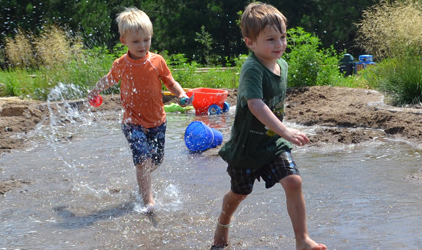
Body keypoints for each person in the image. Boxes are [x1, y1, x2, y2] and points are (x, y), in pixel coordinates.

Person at [212, 2, 327, 250]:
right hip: (246, 148)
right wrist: (286, 130)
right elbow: (255, 105)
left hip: (272, 143)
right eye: (271, 39)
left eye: (283, 37)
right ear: (250, 42)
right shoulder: (252, 69)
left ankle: (302, 240)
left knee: (294, 182)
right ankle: (224, 222)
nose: (279, 45)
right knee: (239, 194)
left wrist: (281, 134)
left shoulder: (282, 64)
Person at [88, 7, 189, 211]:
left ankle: (142, 181)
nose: (142, 45)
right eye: (136, 42)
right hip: (132, 122)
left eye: (146, 40)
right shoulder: (122, 64)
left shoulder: (157, 61)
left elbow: (170, 82)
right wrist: (94, 90)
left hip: (158, 121)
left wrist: (181, 94)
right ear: (123, 41)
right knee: (143, 160)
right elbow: (109, 79)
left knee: (156, 160)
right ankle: (148, 201)